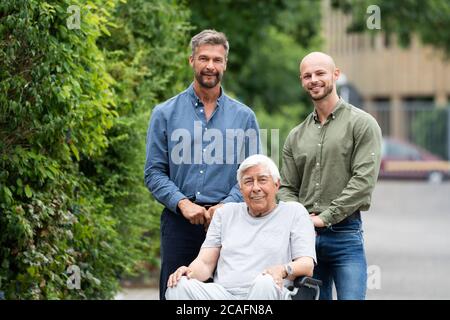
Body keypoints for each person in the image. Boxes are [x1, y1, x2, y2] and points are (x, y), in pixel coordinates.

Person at [144, 30, 260, 299]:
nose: (210, 66)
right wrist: (183, 203)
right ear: (191, 61)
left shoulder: (244, 117)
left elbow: (251, 174)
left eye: (217, 60)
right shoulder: (164, 113)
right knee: (176, 293)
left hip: (231, 224)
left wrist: (225, 206)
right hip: (179, 224)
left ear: (225, 64)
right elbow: (153, 172)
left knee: (228, 296)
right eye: (204, 58)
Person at [278, 52, 382, 300]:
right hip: (305, 241)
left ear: (335, 74)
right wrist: (302, 219)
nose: (313, 79)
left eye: (320, 73)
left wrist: (324, 218)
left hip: (345, 235)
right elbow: (286, 188)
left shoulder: (363, 124)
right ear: (302, 81)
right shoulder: (296, 135)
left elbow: (363, 183)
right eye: (307, 76)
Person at [165, 154, 316, 300]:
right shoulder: (225, 213)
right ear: (241, 189)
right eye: (248, 182)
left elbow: (307, 265)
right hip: (224, 294)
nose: (255, 188)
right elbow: (205, 263)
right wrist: (188, 272)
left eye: (262, 180)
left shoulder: (294, 212)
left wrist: (283, 270)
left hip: (271, 290)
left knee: (266, 282)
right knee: (178, 285)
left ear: (277, 184)